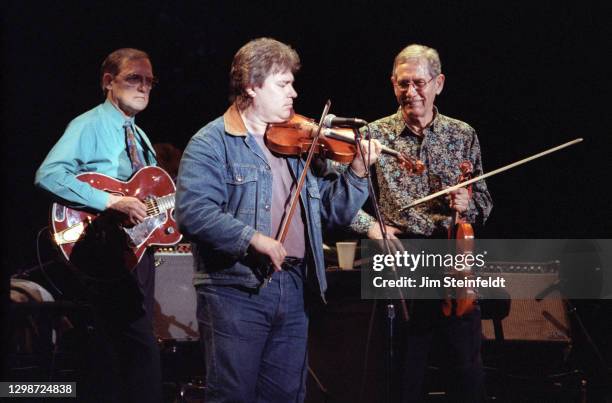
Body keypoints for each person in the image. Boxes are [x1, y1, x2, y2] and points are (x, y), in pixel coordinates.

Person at [175, 37, 381, 402]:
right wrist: (253, 238)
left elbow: (332, 212)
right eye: (283, 84)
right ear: (253, 85)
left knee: (286, 394)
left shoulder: (297, 146)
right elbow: (194, 212)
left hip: (295, 286)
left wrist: (359, 173)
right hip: (235, 290)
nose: (294, 93)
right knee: (234, 394)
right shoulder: (211, 142)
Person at [350, 44, 493, 402]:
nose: (410, 92)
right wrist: (371, 226)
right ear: (392, 84)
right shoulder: (373, 136)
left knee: (466, 370)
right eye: (402, 84)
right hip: (401, 256)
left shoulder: (463, 135)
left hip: (453, 256)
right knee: (403, 374)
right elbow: (336, 200)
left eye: (418, 83)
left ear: (438, 83)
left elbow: (485, 202)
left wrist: (468, 202)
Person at [35, 48, 161, 403]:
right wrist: (110, 201)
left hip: (134, 248)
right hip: (102, 244)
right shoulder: (89, 124)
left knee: (116, 343)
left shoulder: (140, 136)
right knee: (137, 342)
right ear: (108, 82)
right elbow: (48, 174)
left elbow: (144, 195)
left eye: (149, 81)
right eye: (134, 78)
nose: (144, 87)